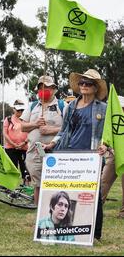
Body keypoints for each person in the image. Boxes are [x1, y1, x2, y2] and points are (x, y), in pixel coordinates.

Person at [43, 69, 107, 240]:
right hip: (68, 154)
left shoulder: (103, 108)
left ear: (95, 88)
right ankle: (68, 230)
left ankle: (95, 234)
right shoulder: (71, 106)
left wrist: (105, 146)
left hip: (91, 156)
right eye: (82, 83)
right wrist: (52, 143)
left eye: (88, 84)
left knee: (93, 194)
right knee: (68, 193)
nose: (84, 86)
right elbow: (64, 131)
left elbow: (108, 135)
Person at [20, 75, 64, 205]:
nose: (44, 90)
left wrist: (51, 130)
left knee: (54, 184)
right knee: (37, 184)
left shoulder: (62, 106)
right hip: (34, 153)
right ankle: (38, 210)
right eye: (41, 88)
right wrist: (35, 124)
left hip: (56, 152)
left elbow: (69, 128)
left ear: (54, 89)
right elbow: (22, 127)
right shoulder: (33, 106)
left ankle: (52, 207)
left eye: (47, 87)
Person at [100, 95, 124, 218]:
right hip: (112, 155)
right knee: (104, 181)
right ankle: (97, 208)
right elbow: (106, 136)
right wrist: (109, 148)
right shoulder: (108, 119)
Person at [3, 99, 29, 185]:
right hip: (10, 148)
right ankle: (10, 185)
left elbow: (31, 133)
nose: (20, 112)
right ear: (14, 109)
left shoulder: (27, 119)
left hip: (23, 148)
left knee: (24, 168)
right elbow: (5, 133)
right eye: (18, 110)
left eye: (22, 110)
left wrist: (24, 143)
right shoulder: (8, 119)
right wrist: (13, 143)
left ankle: (25, 185)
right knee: (11, 168)